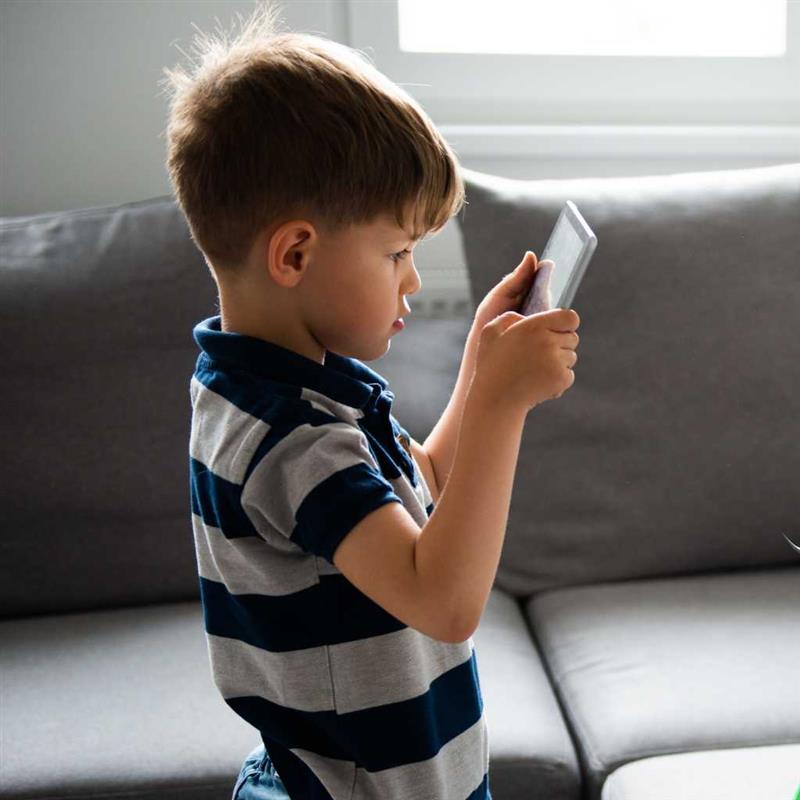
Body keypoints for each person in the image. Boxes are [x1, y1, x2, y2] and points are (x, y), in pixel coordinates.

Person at [161, 2, 580, 798]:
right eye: (396, 252)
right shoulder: (291, 437)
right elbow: (443, 600)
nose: (413, 279)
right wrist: (498, 407)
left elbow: (410, 498)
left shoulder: (268, 388)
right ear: (294, 253)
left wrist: (474, 375)